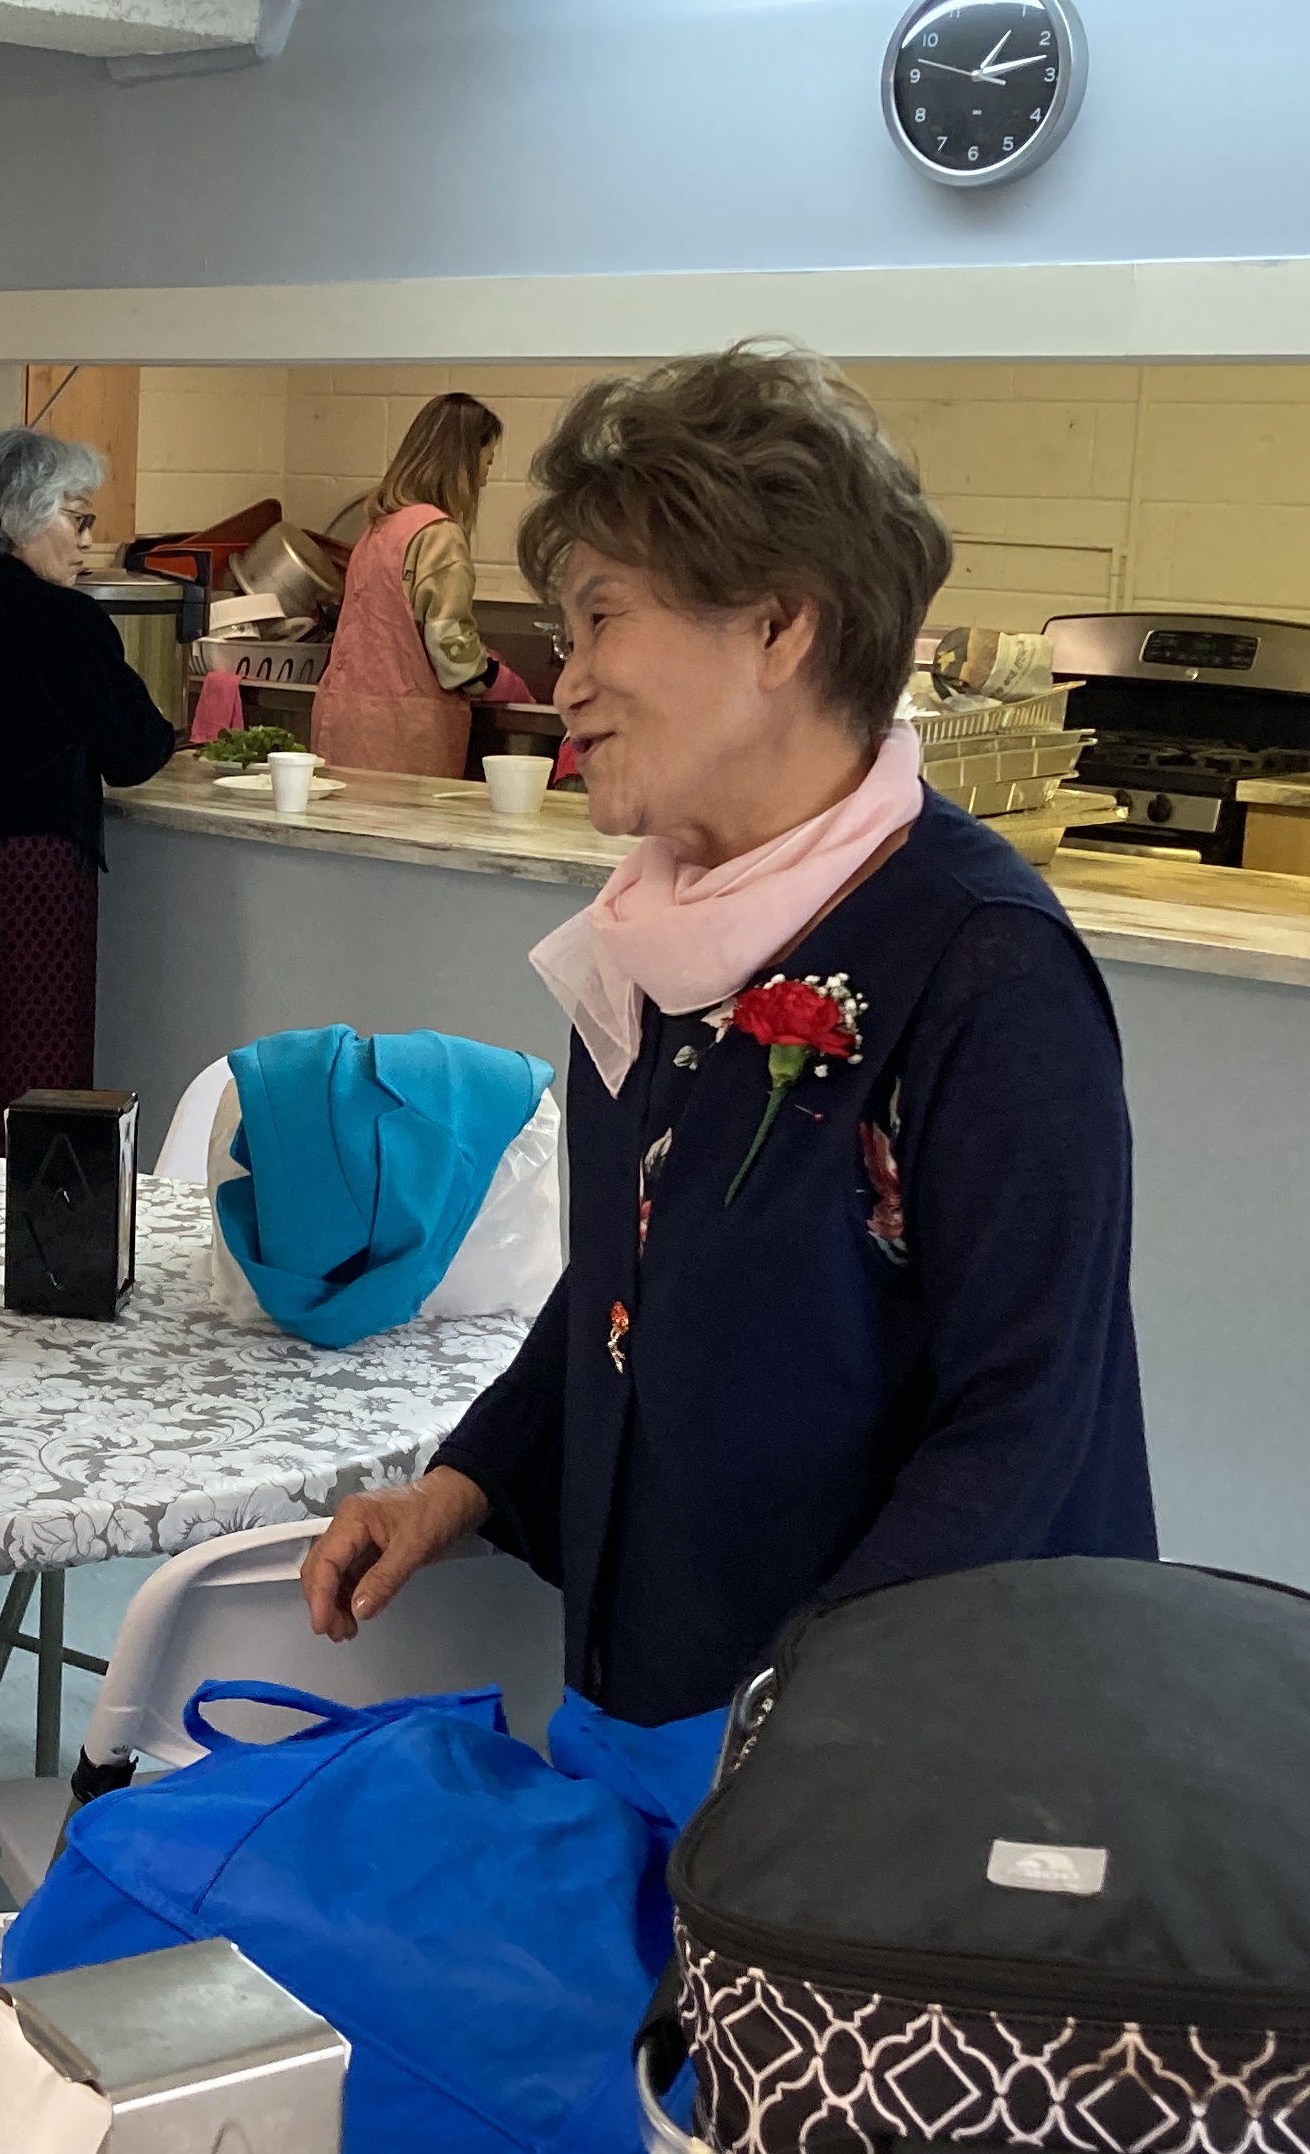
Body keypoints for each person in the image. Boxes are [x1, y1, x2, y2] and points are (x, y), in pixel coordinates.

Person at [304, 345, 1154, 1724]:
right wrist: (460, 1485)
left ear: (779, 627)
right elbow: (631, 1289)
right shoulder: (656, 942)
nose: (566, 681)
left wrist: (796, 1717)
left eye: (600, 620)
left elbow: (1025, 1428)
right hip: (661, 1710)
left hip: (895, 1758)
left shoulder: (984, 970)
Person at [0, 428, 178, 1138]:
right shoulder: (65, 621)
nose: (88, 541)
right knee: (40, 1078)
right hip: (29, 875)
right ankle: (38, 1209)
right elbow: (135, 752)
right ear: (26, 515)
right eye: (78, 519)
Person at [306, 392, 508, 778]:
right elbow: (450, 647)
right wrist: (493, 677)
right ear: (463, 464)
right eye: (486, 463)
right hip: (401, 735)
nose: (484, 479)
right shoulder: (439, 534)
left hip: (344, 719)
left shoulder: (379, 528)